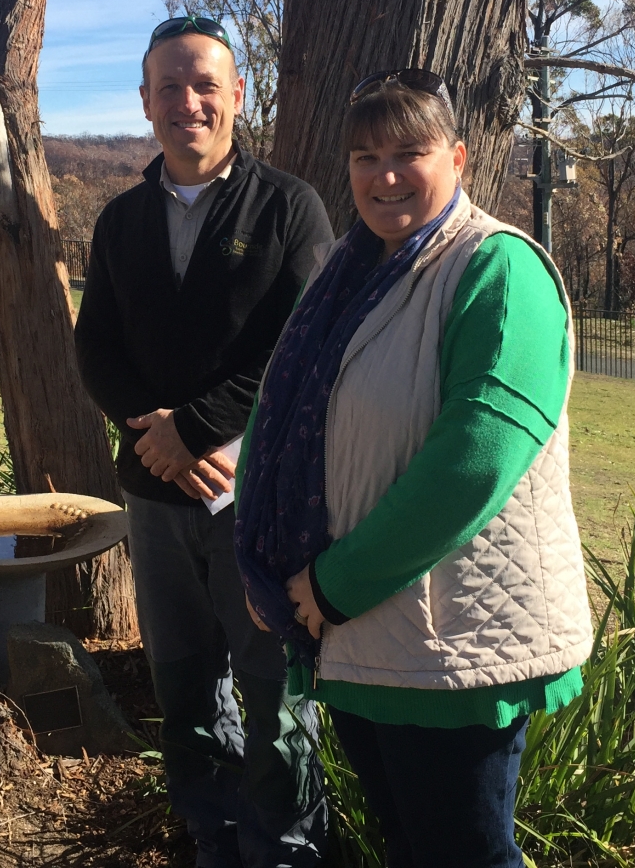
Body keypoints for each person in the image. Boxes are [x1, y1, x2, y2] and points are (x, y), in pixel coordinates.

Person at [234, 70, 593, 867]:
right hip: (365, 644)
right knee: (411, 848)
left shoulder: (500, 271)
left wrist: (330, 584)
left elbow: (473, 462)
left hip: (452, 653)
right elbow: (283, 415)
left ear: (459, 157)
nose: (383, 174)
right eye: (365, 155)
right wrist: (271, 564)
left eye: (409, 151)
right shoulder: (347, 277)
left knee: (463, 856)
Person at [75, 14, 334, 867]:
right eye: (169, 87)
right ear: (145, 101)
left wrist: (194, 431)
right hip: (154, 497)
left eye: (205, 85)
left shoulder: (291, 207)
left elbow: (302, 346)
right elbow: (97, 349)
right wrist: (157, 442)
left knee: (273, 687)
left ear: (237, 95)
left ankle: (284, 847)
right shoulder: (119, 222)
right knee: (183, 681)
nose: (188, 101)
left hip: (255, 495)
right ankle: (210, 835)